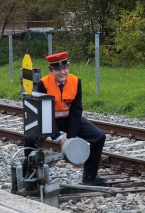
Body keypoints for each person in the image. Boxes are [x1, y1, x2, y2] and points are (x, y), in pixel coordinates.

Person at [23, 51, 107, 185]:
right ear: (50, 70)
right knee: (29, 138)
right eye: (58, 69)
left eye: (65, 68)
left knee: (99, 137)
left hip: (68, 119)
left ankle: (90, 176)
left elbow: (76, 111)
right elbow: (44, 114)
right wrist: (59, 139)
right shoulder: (42, 84)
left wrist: (71, 138)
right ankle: (28, 176)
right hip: (48, 120)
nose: (63, 72)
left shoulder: (75, 81)